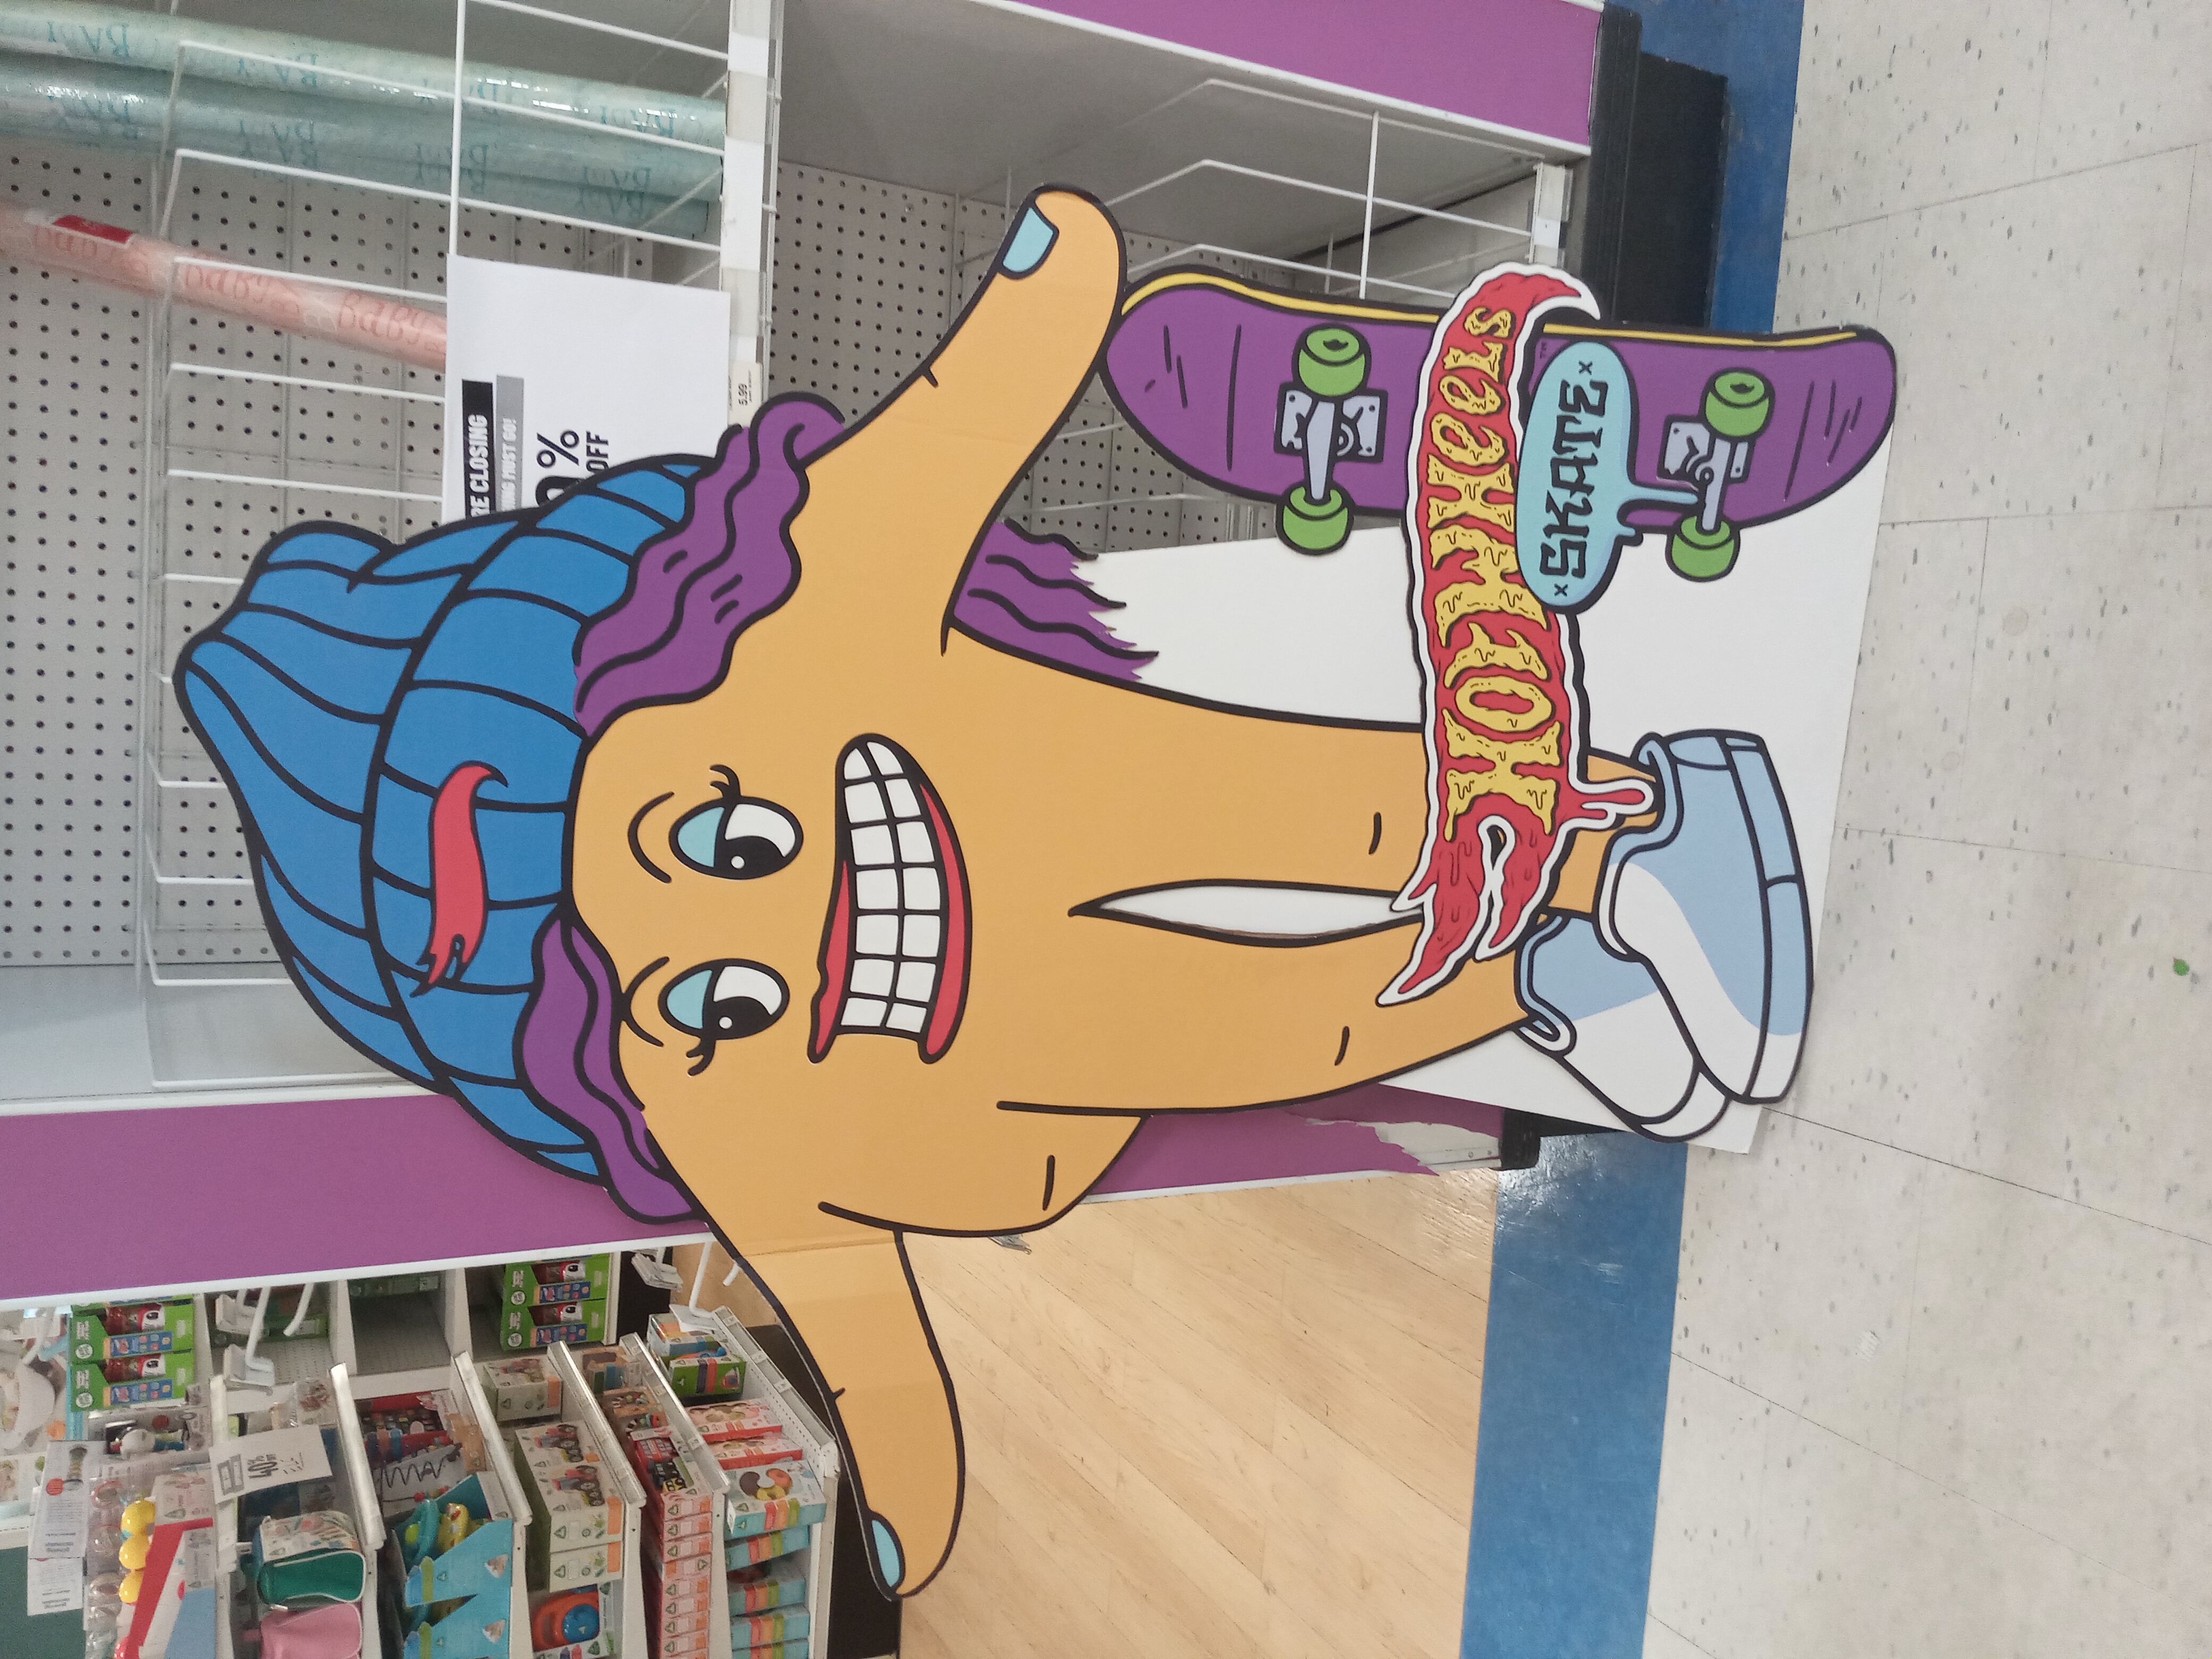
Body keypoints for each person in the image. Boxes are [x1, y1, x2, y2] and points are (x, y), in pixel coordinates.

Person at [177, 190, 1807, 1595]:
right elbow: (835, 1279)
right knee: (1273, 1027)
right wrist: (902, 1458)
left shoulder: (802, 613)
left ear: (703, 629)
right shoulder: (747, 1115)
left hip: (974, 766)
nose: (788, 931)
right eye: (713, 1003)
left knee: (1282, 797)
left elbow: (929, 447)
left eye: (729, 846)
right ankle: (1540, 974)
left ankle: (1633, 830)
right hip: (969, 1046)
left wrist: (1039, 307)